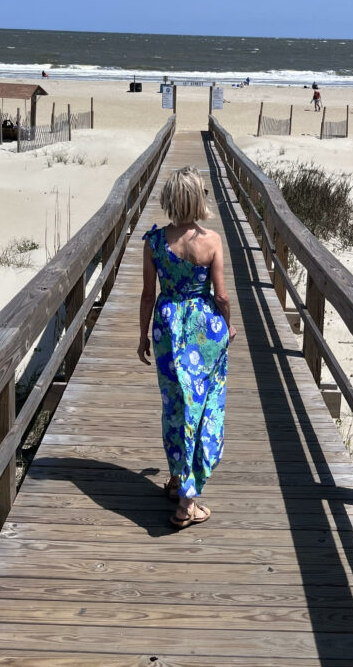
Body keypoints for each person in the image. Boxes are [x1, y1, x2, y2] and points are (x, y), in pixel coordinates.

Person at [138, 167, 236, 529]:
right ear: (198, 200)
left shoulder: (154, 241)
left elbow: (149, 295)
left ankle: (179, 477)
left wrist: (141, 335)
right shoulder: (211, 241)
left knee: (176, 405)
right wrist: (228, 325)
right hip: (203, 329)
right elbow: (222, 295)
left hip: (168, 326)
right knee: (203, 406)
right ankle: (187, 504)